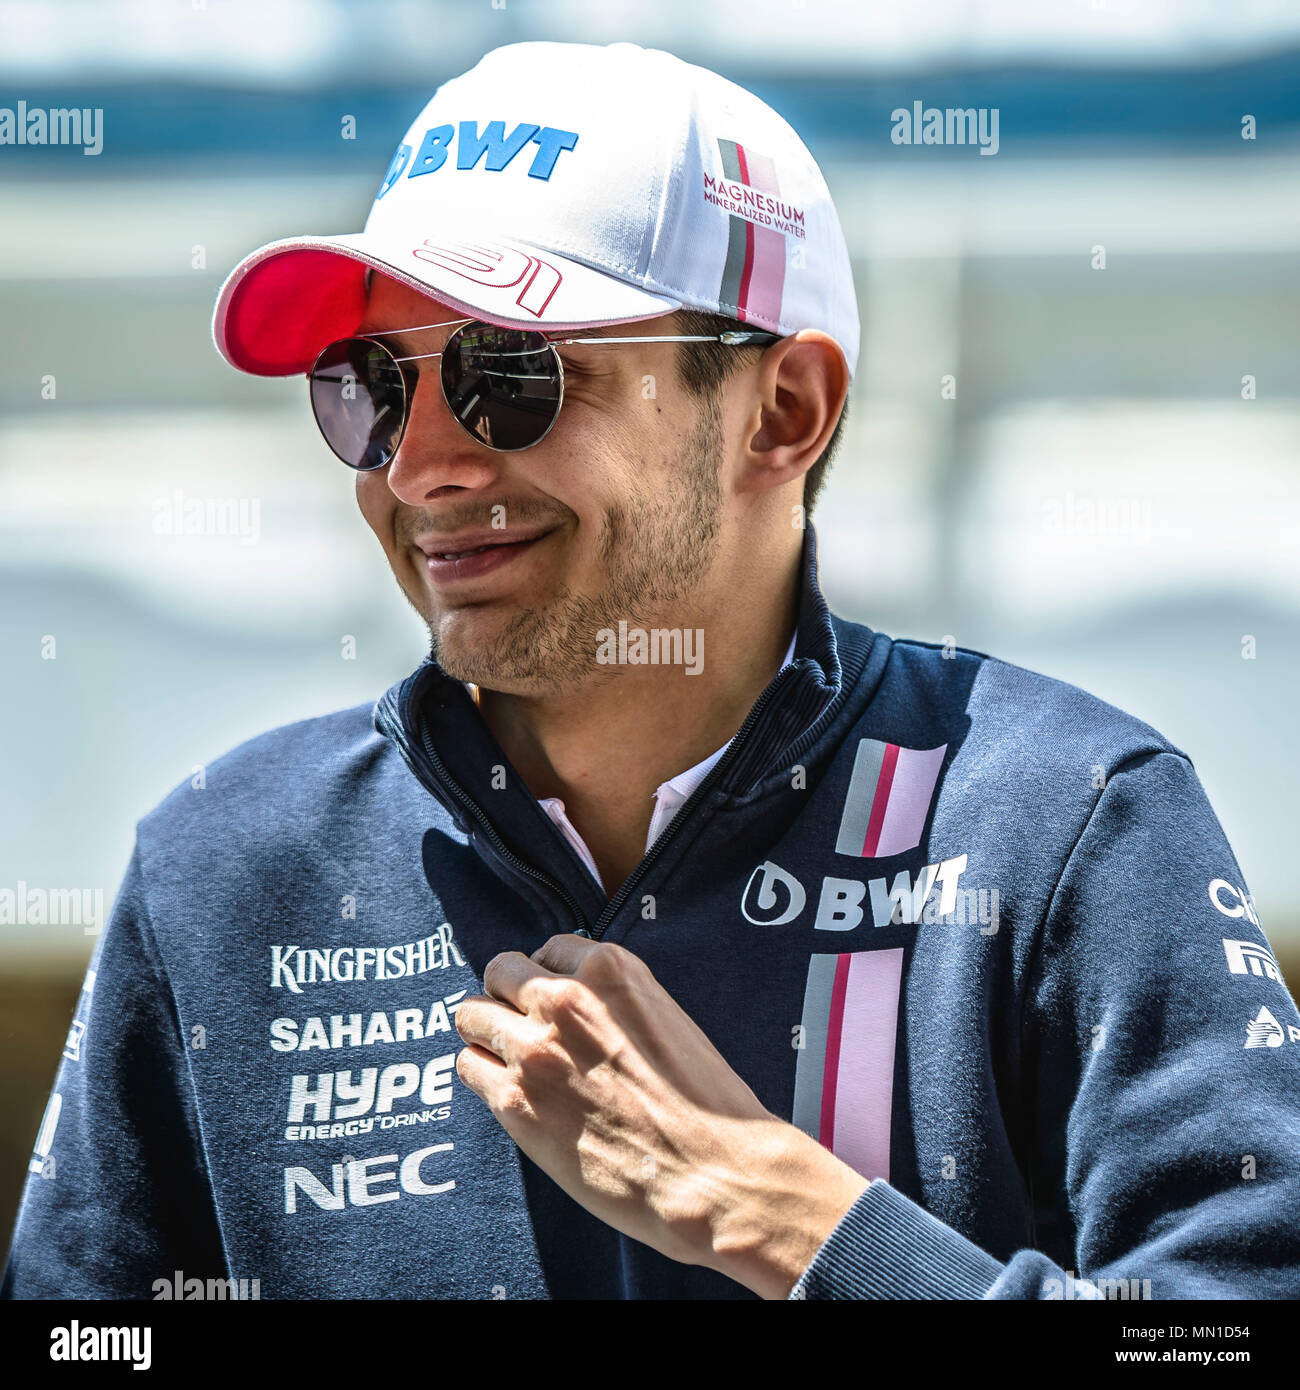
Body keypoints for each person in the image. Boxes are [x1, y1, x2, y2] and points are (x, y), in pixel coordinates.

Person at [5, 39, 1299, 1302]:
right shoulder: (219, 868)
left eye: (507, 374)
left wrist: (794, 1222)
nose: (419, 468)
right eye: (371, 389)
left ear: (782, 410)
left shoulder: (1071, 821)